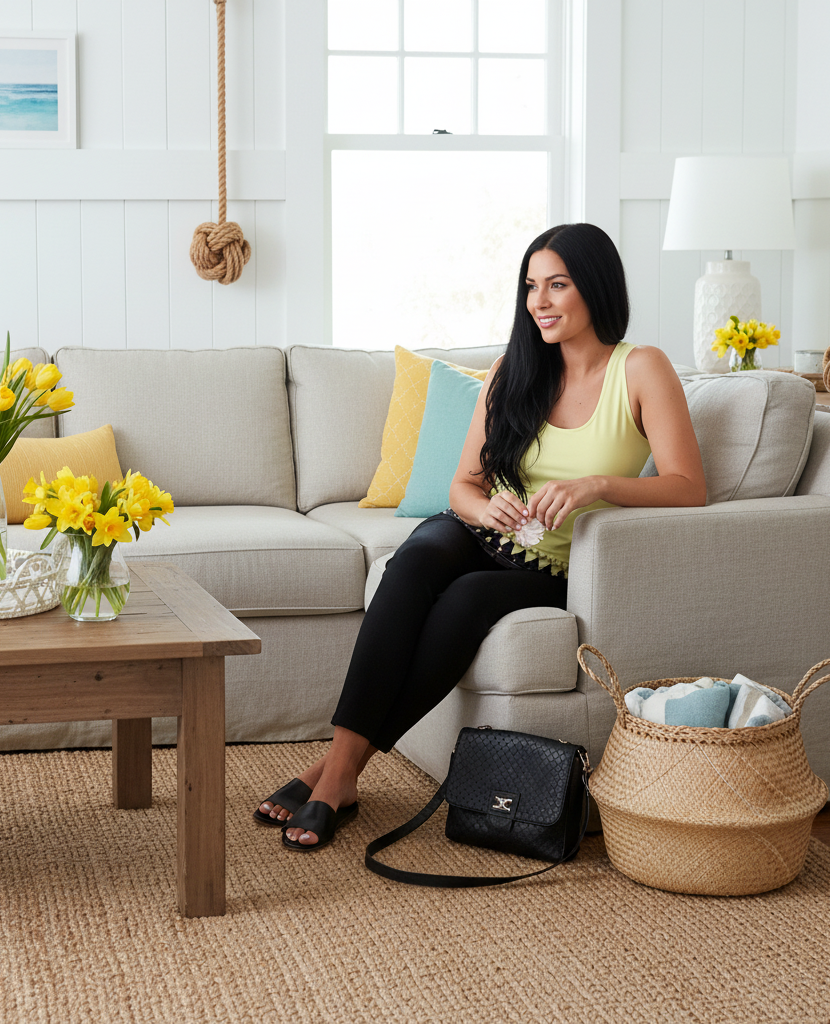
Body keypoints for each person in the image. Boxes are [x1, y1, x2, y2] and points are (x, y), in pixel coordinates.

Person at [256, 222, 706, 850]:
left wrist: (597, 485)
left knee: (465, 601)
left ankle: (333, 775)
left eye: (557, 285)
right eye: (530, 287)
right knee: (407, 564)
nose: (539, 303)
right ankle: (339, 773)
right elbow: (460, 488)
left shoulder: (642, 370)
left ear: (595, 288)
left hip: (546, 566)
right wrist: (486, 506)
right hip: (477, 534)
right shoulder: (512, 370)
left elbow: (689, 485)